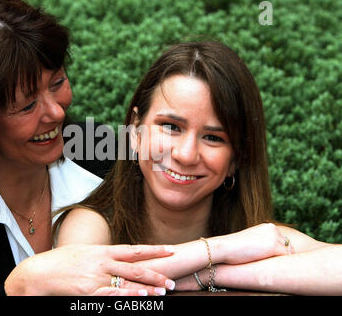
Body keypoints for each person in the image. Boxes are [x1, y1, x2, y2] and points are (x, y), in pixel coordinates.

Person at [0, 0, 177, 296]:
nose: (56, 112)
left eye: (57, 84)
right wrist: (20, 286)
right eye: (27, 106)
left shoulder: (98, 149)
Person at [54, 41, 342, 295]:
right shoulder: (94, 224)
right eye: (171, 127)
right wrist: (217, 251)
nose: (186, 155)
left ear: (236, 159)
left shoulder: (252, 238)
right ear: (135, 131)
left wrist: (210, 274)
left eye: (213, 137)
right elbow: (82, 289)